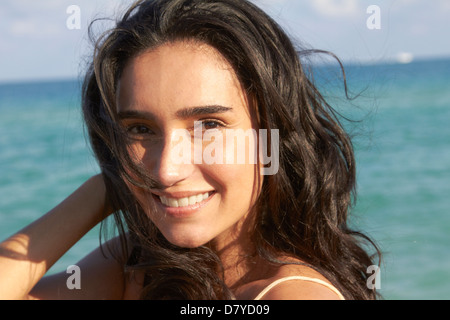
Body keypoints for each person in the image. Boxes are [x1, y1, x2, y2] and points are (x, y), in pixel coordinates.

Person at [0, 0, 381, 300]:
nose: (167, 170)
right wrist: (108, 185)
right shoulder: (143, 267)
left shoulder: (291, 294)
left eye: (208, 126)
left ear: (270, 137)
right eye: (140, 129)